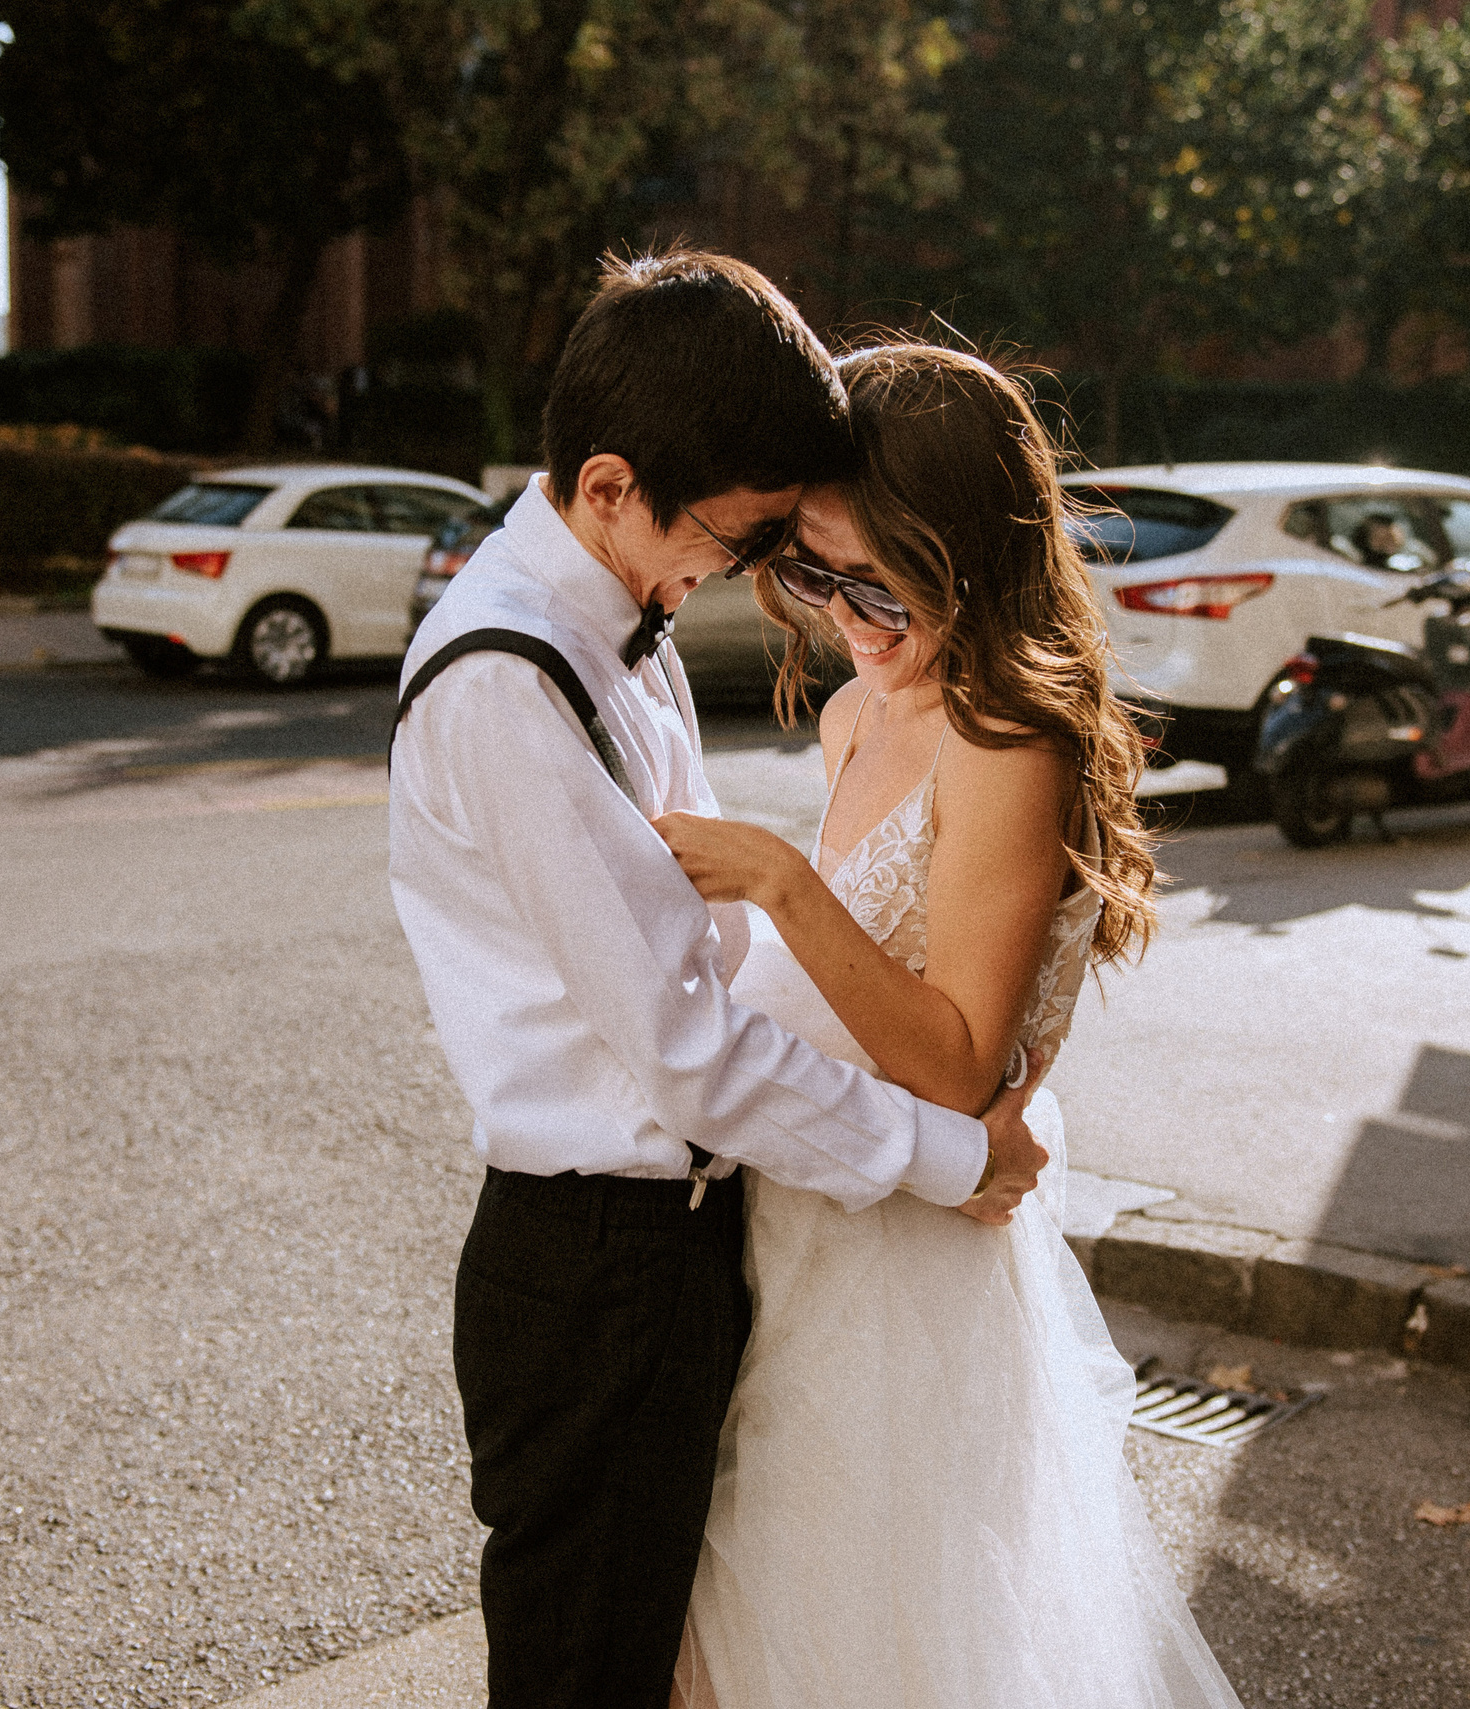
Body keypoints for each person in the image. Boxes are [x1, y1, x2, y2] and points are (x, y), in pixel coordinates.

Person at [386, 254, 1050, 1709]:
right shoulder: (511, 678)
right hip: (598, 1261)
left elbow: (718, 957)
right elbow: (683, 1049)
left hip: (702, 1239)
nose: (748, 587)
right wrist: (950, 1152)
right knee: (585, 1675)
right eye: (742, 542)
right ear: (613, 484)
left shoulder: (620, 627)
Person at [653, 344, 1243, 1709]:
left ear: (974, 553)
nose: (846, 613)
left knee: (858, 1643)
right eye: (812, 569)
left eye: (881, 580)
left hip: (897, 1284)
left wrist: (781, 884)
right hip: (794, 1228)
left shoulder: (1005, 736)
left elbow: (965, 1050)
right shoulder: (860, 709)